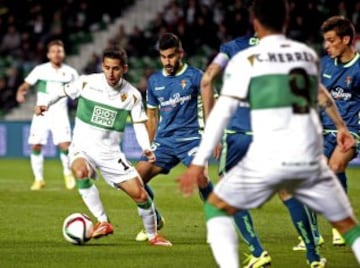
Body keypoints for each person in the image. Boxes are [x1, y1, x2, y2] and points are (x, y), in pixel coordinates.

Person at [178, 0, 360, 267]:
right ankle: (313, 255)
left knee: (217, 206)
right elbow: (322, 96)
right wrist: (342, 127)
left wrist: (199, 160)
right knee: (348, 226)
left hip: (266, 151)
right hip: (307, 152)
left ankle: (249, 256)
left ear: (256, 23)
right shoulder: (306, 55)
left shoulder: (243, 59)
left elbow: (223, 109)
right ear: (285, 22)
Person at [34, 47, 172, 246]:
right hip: (82, 148)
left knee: (140, 195)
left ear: (124, 68)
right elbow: (61, 91)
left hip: (110, 154)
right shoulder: (87, 82)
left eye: (116, 69)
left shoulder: (132, 95)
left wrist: (146, 147)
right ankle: (103, 221)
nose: (111, 73)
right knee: (80, 171)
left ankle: (153, 236)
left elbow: (140, 125)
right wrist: (45, 103)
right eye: (107, 68)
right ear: (102, 67)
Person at [134, 32, 214, 241]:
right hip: (165, 141)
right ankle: (154, 219)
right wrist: (149, 147)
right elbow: (152, 116)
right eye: (163, 57)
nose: (167, 61)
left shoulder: (196, 76)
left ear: (181, 54)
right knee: (135, 180)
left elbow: (211, 106)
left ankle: (216, 226)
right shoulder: (155, 81)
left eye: (171, 56)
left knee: (202, 177)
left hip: (192, 138)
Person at [201, 34, 272, 268]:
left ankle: (257, 250)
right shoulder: (286, 48)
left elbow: (208, 79)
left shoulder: (230, 48)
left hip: (238, 131)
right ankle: (313, 251)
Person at [293, 15, 360, 250]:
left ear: (346, 39)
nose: (327, 45)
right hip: (323, 131)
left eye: (331, 41)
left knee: (334, 167)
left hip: (352, 130)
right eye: (325, 41)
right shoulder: (324, 65)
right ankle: (313, 234)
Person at [16, 39, 77, 191]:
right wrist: (20, 92)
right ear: (48, 54)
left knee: (65, 146)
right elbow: (26, 84)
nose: (57, 54)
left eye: (59, 51)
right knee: (36, 145)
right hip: (41, 114)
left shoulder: (70, 73)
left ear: (63, 54)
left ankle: (68, 174)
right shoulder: (40, 70)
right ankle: (39, 179)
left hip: (60, 114)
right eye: (54, 51)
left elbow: (80, 91)